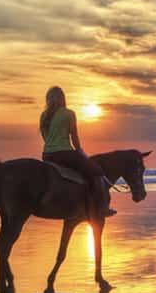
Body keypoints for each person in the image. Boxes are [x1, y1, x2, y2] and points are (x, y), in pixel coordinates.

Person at [39, 86, 116, 219]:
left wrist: (52, 146)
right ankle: (102, 207)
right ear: (62, 98)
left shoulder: (44, 115)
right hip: (64, 153)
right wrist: (79, 151)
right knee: (96, 170)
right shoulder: (69, 113)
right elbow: (74, 136)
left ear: (48, 99)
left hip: (47, 155)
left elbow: (45, 137)